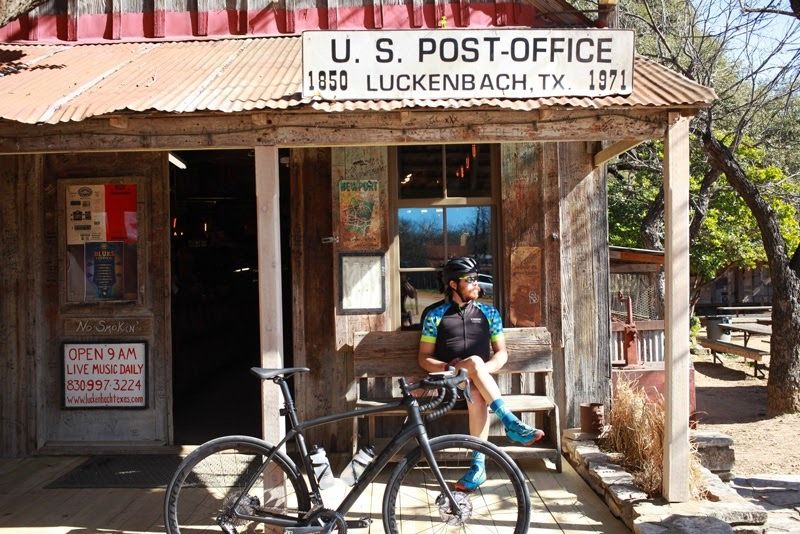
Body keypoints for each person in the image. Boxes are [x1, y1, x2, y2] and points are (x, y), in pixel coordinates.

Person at [417, 256, 544, 492]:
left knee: (476, 391)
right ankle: (509, 422)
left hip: (476, 383)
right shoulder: (435, 315)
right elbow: (423, 358)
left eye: (477, 279)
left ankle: (478, 467)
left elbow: (501, 354)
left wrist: (478, 369)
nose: (478, 284)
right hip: (448, 382)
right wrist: (450, 369)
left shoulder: (489, 313)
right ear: (454, 284)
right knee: (474, 374)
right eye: (471, 280)